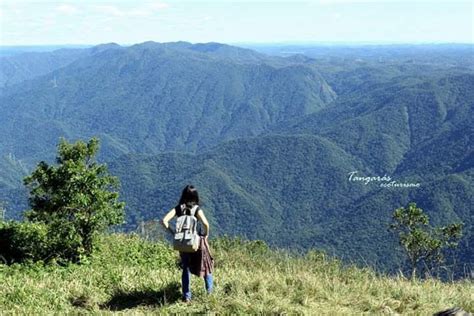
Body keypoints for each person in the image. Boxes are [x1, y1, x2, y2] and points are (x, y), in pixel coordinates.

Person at [160, 185, 213, 302]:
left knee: (186, 268)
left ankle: (186, 296)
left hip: (183, 244)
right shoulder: (197, 209)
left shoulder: (178, 208)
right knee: (206, 265)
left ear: (183, 195)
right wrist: (206, 235)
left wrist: (173, 233)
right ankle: (210, 294)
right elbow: (206, 224)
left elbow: (164, 221)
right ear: (195, 196)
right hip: (196, 242)